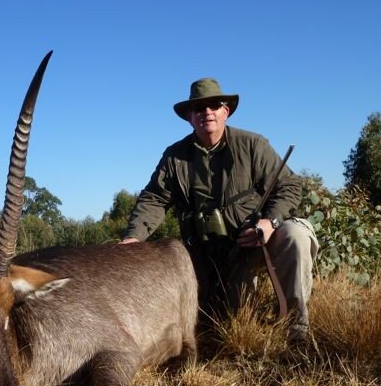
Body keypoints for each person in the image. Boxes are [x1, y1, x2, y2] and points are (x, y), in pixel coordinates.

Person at [120, 78, 318, 346]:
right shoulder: (174, 156)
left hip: (253, 243)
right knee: (223, 324)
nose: (207, 112)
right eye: (198, 108)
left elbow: (289, 185)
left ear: (226, 111)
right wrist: (133, 238)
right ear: (190, 117)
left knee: (295, 235)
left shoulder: (253, 145)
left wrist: (269, 222)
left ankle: (298, 331)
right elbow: (155, 198)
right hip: (204, 256)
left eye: (214, 105)